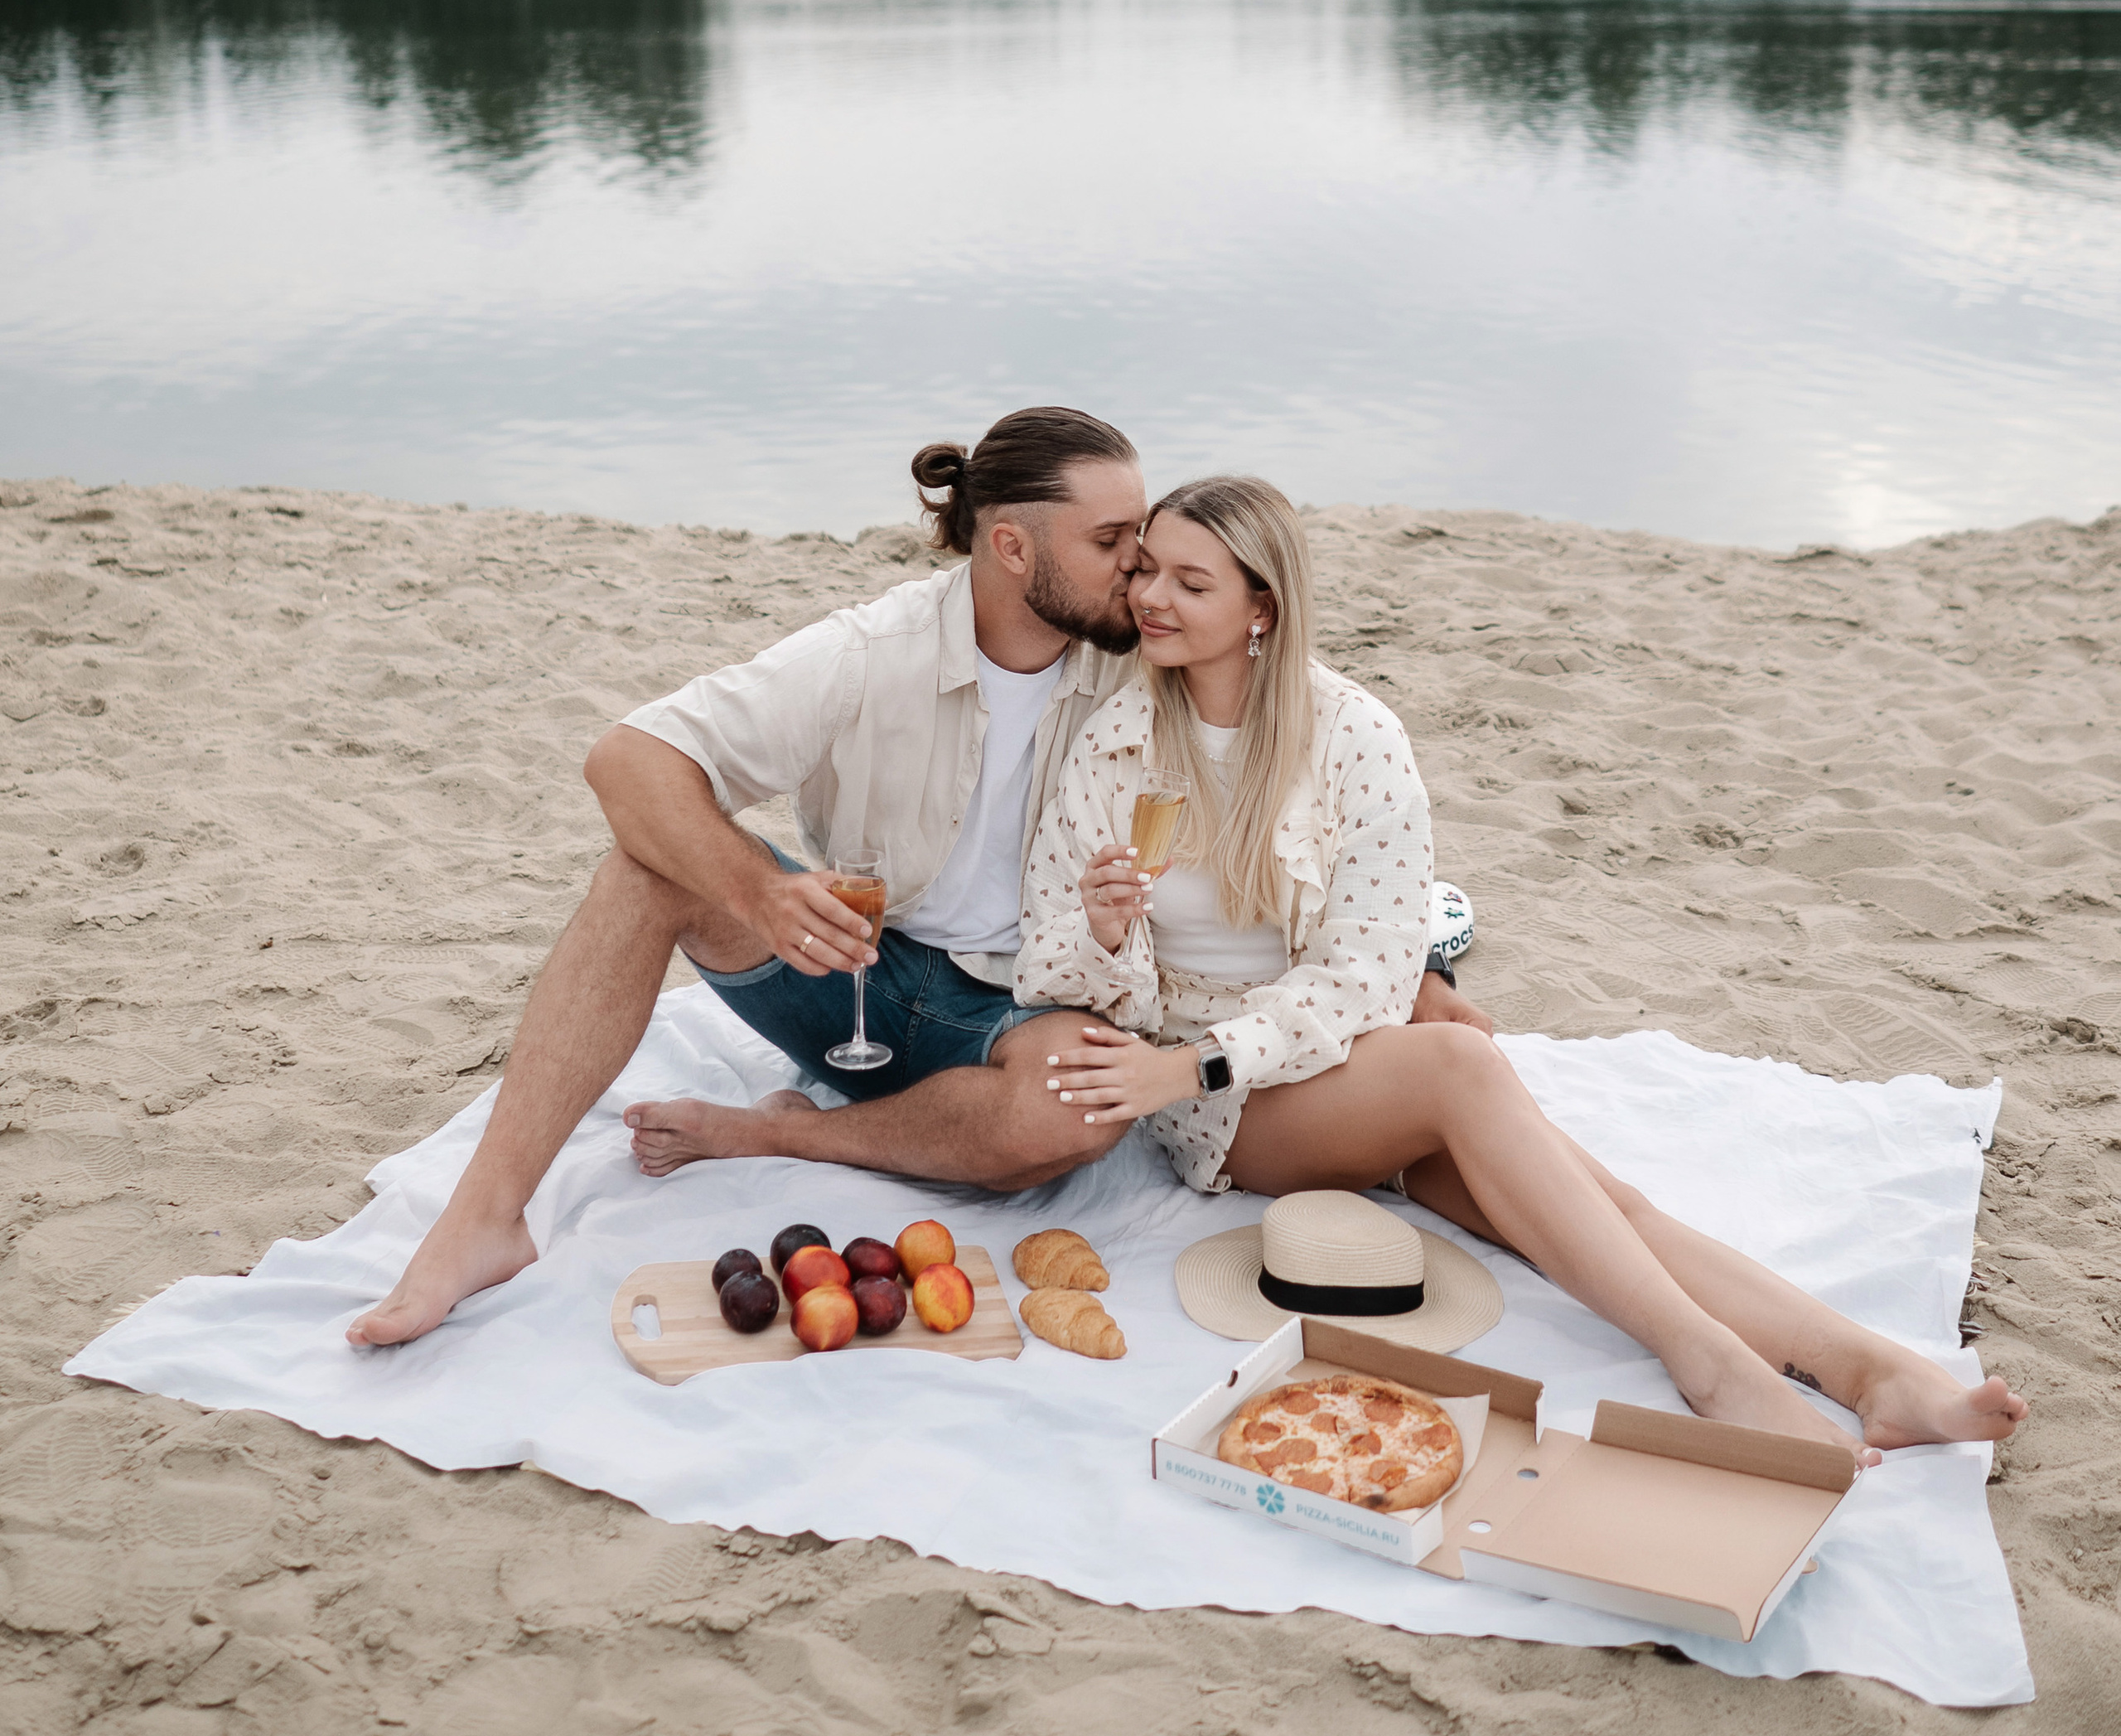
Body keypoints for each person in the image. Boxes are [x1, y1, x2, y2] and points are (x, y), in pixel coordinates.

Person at [1015, 474, 2027, 1461]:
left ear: (1261, 610)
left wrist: (1204, 1059)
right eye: (1147, 570)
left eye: (1191, 584)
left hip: (1336, 1062)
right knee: (1460, 1067)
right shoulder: (1115, 744)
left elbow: (1371, 973)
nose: (1148, 597)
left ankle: (1869, 1373)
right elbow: (1045, 962)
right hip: (1221, 1099)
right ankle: (1712, 1369)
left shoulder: (1355, 738)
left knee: (1607, 1211)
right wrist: (1112, 946)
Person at [350, 406, 1150, 1347]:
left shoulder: (1140, 661)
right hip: (851, 982)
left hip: (1017, 1016)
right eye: (1111, 540)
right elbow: (628, 758)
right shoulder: (869, 653)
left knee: (1081, 1108)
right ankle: (482, 1218)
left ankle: (773, 1131)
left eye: (1142, 532)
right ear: (1011, 546)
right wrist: (758, 892)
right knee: (646, 868)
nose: (1140, 562)